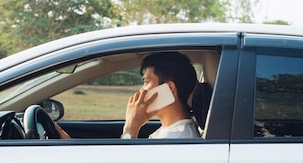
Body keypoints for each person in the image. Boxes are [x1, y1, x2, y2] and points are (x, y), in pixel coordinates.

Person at [54, 52, 200, 140]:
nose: (141, 90)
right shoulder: (169, 131)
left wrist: (131, 128)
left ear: (168, 88)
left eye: (146, 82)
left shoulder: (178, 138)